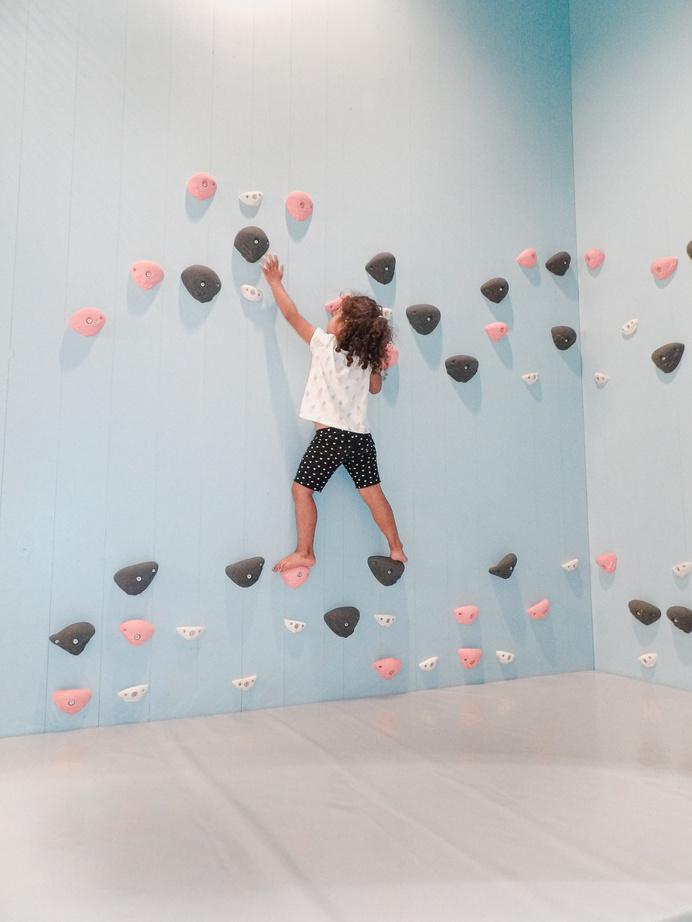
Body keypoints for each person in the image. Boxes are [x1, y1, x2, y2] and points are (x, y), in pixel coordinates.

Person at [260, 254, 407, 575]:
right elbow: (375, 390)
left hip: (331, 437)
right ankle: (396, 547)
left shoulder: (324, 345)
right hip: (361, 439)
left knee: (302, 491)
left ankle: (305, 552)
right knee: (373, 494)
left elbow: (291, 315)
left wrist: (275, 283)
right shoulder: (366, 359)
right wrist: (378, 364)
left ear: (345, 326)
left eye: (338, 313)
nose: (332, 315)